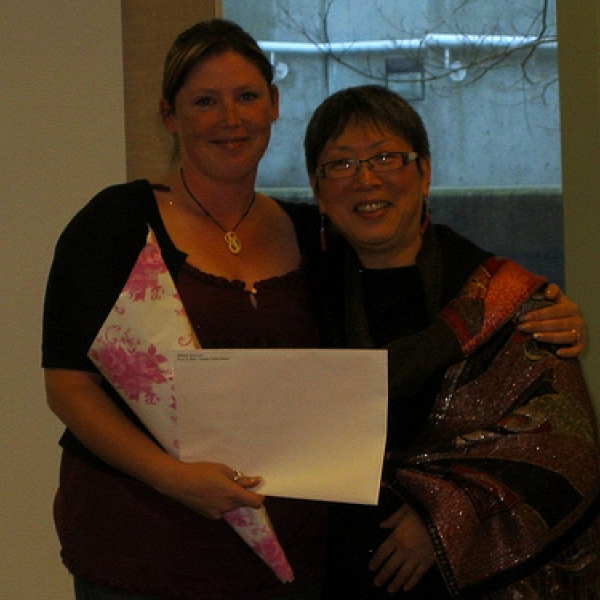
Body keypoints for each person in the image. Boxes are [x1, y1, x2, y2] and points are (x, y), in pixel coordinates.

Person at [42, 18, 585, 600]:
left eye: (247, 96)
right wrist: (173, 480)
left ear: (274, 104)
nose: (230, 118)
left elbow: (416, 303)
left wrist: (550, 308)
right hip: (143, 546)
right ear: (170, 116)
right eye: (205, 101)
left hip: (291, 556)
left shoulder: (311, 236)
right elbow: (69, 386)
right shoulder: (117, 223)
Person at [304, 84, 600, 599]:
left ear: (425, 173)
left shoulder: (503, 297)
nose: (366, 179)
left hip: (472, 576)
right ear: (317, 190)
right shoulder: (299, 291)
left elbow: (567, 448)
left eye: (387, 158)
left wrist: (448, 516)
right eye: (342, 165)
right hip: (334, 565)